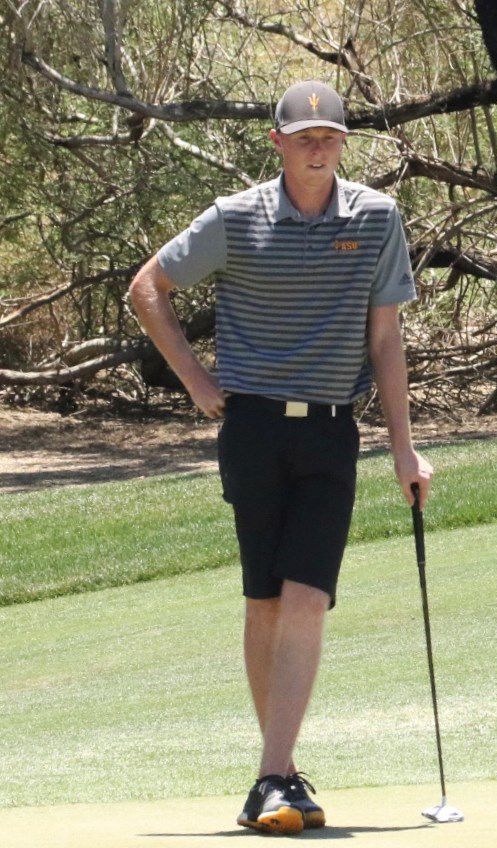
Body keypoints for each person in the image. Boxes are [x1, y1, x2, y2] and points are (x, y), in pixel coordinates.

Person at [128, 80, 433, 835]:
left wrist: (405, 449)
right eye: (304, 136)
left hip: (332, 430)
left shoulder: (376, 215)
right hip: (253, 430)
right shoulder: (235, 219)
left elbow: (385, 340)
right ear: (278, 144)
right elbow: (148, 288)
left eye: (329, 134)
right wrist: (196, 380)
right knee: (265, 601)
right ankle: (282, 776)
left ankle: (271, 774)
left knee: (306, 599)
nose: (318, 146)